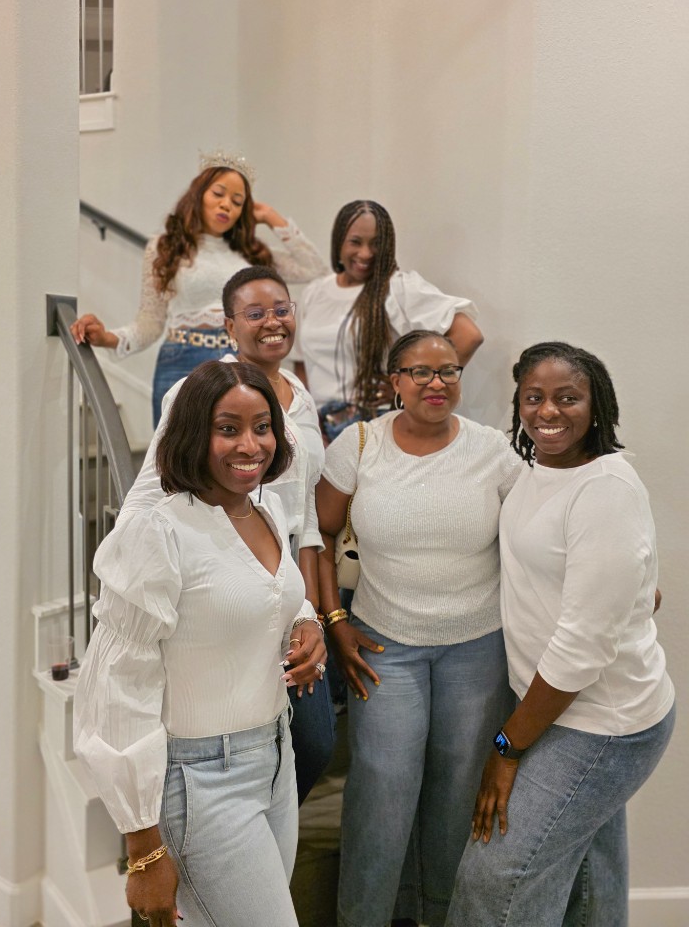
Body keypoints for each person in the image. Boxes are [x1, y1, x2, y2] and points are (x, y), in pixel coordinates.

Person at [73, 360, 327, 926]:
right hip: (200, 782)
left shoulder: (266, 509)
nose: (251, 444)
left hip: (275, 758)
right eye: (228, 427)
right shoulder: (158, 532)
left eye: (262, 426)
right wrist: (144, 850)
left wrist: (307, 623)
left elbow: (269, 597)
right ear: (191, 433)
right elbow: (116, 690)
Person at [444, 342, 675, 927]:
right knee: (587, 879)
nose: (549, 412)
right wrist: (635, 593)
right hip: (558, 709)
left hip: (604, 723)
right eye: (534, 398)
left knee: (498, 876)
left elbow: (581, 649)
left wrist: (507, 748)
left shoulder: (604, 488)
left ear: (596, 406)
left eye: (567, 398)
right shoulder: (539, 471)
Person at [316, 330, 522, 927]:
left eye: (449, 371)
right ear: (395, 381)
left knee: (459, 794)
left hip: (478, 647)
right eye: (422, 372)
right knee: (381, 791)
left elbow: (534, 538)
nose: (437, 383)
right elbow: (321, 535)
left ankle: (441, 914)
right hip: (385, 644)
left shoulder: (494, 451)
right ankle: (367, 916)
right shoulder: (357, 445)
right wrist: (335, 622)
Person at [121, 265, 335, 804]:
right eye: (255, 313)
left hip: (284, 588)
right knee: (229, 734)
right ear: (229, 325)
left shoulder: (301, 399)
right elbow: (151, 491)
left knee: (312, 742)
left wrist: (311, 611)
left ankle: (256, 838)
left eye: (281, 309)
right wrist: (125, 576)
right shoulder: (201, 390)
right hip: (219, 590)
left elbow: (304, 518)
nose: (272, 322)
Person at [70, 150, 325, 426]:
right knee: (177, 457)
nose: (227, 205)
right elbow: (150, 321)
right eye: (219, 194)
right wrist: (108, 337)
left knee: (239, 451)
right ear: (199, 194)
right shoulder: (165, 246)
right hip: (181, 359)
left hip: (244, 358)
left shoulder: (253, 253)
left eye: (237, 201)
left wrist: (271, 217)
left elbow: (315, 268)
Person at [292, 200, 483, 440]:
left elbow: (468, 335)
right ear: (339, 241)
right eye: (355, 242)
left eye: (376, 244)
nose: (366, 253)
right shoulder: (314, 292)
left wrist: (414, 385)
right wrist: (308, 423)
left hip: (373, 427)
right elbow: (301, 365)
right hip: (318, 429)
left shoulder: (398, 288)